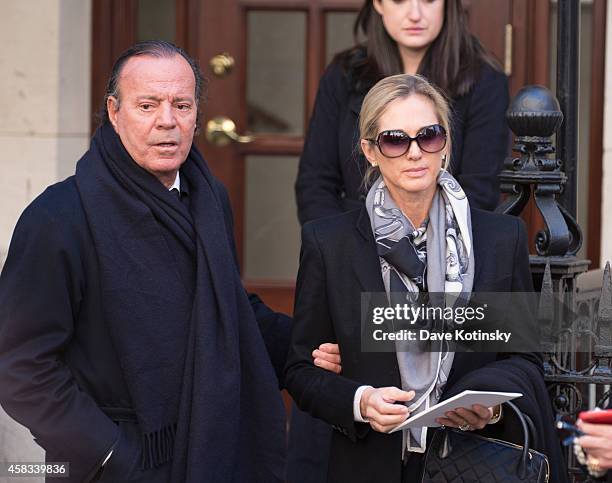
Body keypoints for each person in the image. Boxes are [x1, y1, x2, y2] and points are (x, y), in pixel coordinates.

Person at [0, 40, 292, 483]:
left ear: (197, 114)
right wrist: (112, 454)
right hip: (111, 462)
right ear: (114, 113)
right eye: (147, 105)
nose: (167, 122)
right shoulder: (59, 218)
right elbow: (19, 366)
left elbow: (226, 307)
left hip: (209, 448)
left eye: (182, 104)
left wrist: (311, 339)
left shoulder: (210, 198)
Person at [285, 74, 566, 482]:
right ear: (370, 151)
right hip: (370, 463)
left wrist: (489, 401)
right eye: (396, 140)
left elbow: (523, 358)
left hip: (472, 461)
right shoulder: (329, 243)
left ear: (446, 143)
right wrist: (360, 401)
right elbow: (301, 370)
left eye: (429, 136)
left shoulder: (499, 239)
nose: (415, 153)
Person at [295, 0, 509, 226]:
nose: (415, 14)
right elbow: (315, 183)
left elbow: (480, 192)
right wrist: (340, 250)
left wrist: (423, 251)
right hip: (351, 242)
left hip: (445, 246)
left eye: (428, 0)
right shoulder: (344, 73)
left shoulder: (484, 78)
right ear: (378, 3)